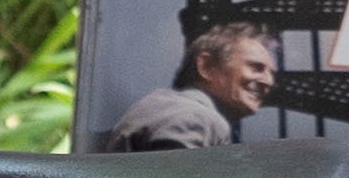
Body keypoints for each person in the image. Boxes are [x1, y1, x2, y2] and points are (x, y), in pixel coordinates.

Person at [101, 21, 276, 154]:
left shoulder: (165, 107)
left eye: (271, 73)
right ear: (206, 67)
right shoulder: (196, 119)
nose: (268, 81)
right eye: (256, 68)